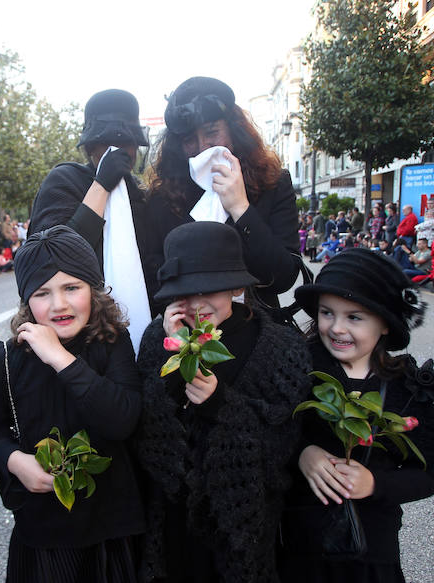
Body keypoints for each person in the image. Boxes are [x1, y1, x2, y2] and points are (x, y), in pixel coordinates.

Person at [133, 221, 310, 582]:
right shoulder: (158, 336)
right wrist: (175, 354)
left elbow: (281, 444)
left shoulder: (279, 347)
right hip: (175, 517)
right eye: (184, 292)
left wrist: (219, 404)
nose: (197, 303)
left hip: (243, 516)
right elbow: (146, 431)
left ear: (235, 285)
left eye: (210, 289)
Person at [0, 226, 144, 582]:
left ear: (93, 290)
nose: (59, 305)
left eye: (72, 287)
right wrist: (14, 460)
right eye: (42, 292)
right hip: (44, 533)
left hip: (110, 527)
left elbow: (122, 420)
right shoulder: (8, 358)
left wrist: (60, 358)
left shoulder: (112, 343)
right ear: (27, 301)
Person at [281, 248, 434, 583]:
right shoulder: (299, 366)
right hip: (300, 545)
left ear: (384, 323)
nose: (337, 328)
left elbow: (428, 474)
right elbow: (269, 429)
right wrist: (302, 453)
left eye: (354, 317)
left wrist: (375, 483)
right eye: (327, 313)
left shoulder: (406, 388)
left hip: (370, 550)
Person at [145, 76, 302, 310]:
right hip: (189, 333)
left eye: (211, 132)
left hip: (260, 331)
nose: (202, 147)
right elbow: (155, 281)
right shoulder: (164, 196)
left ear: (234, 130)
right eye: (189, 140)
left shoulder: (273, 182)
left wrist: (240, 208)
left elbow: (282, 278)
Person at [29, 89, 153, 353]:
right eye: (105, 141)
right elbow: (53, 258)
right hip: (78, 334)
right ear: (89, 146)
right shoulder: (64, 181)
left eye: (125, 142)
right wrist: (102, 185)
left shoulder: (140, 196)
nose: (116, 150)